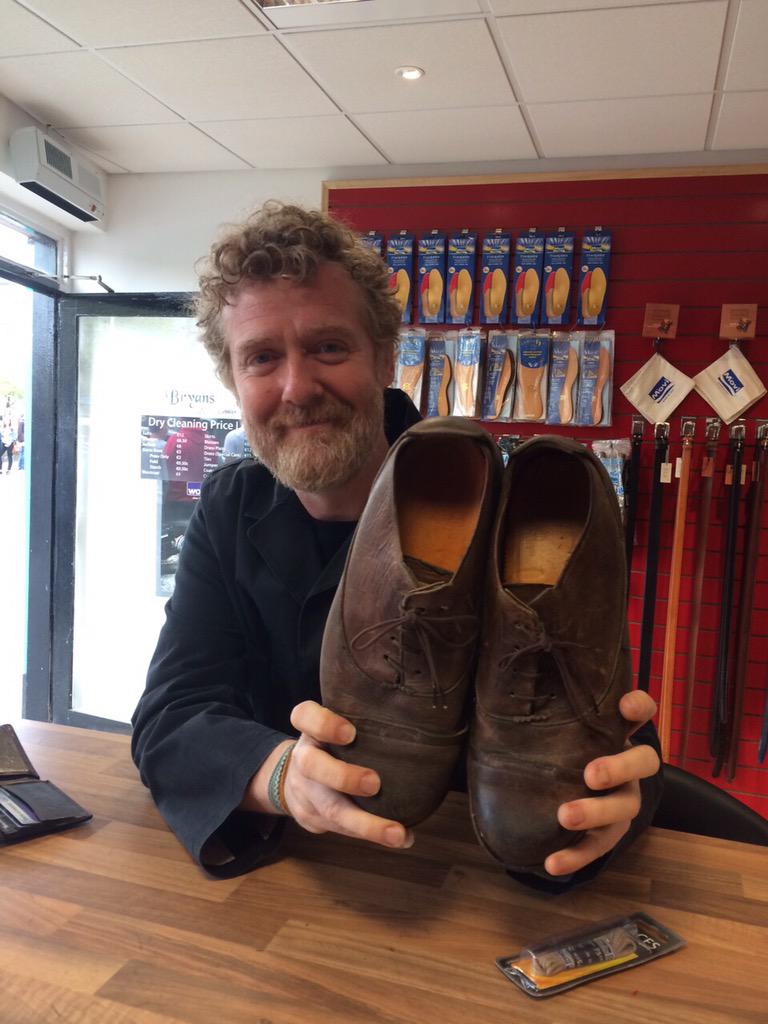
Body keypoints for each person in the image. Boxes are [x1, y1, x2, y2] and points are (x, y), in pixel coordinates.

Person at [132, 203, 662, 889]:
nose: (297, 389)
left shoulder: (518, 510)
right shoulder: (231, 506)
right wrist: (282, 775)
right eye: (262, 358)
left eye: (328, 348)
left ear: (384, 356)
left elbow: (592, 710)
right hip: (292, 888)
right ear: (233, 379)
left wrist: (622, 793)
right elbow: (171, 714)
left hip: (477, 895)